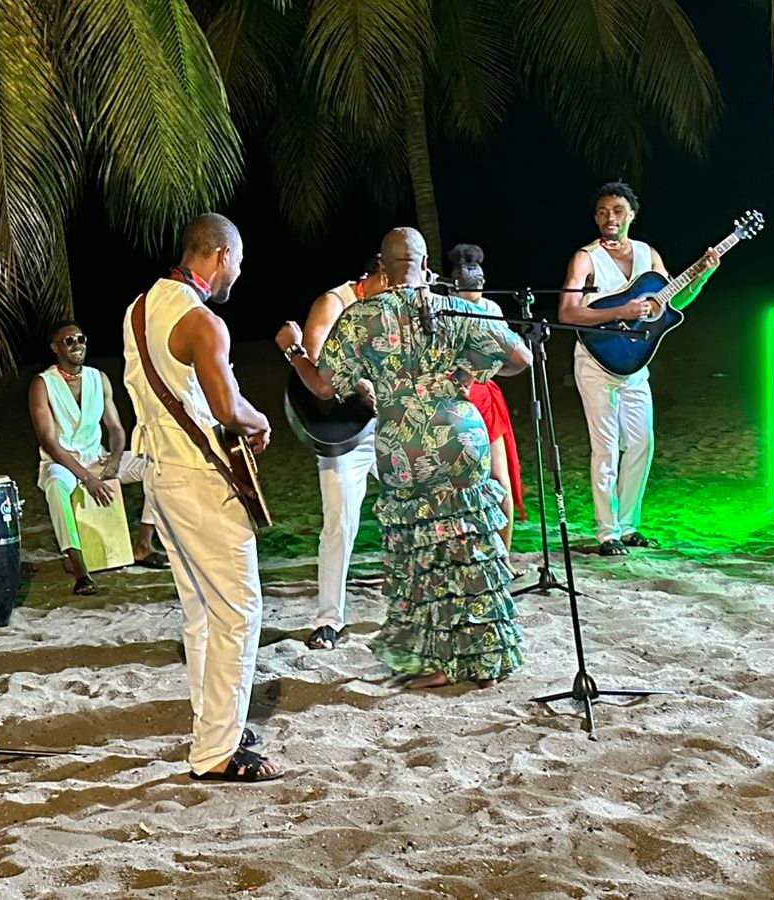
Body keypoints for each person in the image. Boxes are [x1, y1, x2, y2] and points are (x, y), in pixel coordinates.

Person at [276, 227, 532, 688]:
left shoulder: (362, 317)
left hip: (405, 446)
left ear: (382, 266)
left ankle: (437, 664)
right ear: (427, 267)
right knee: (470, 546)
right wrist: (464, 372)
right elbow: (520, 359)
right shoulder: (457, 308)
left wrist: (293, 350)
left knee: (424, 553)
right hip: (461, 437)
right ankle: (486, 660)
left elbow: (322, 386)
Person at [122, 212, 284, 782]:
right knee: (239, 609)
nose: (239, 271)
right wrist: (260, 421)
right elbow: (226, 409)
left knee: (200, 612)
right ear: (220, 256)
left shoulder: (139, 308)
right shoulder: (203, 322)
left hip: (160, 476)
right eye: (238, 261)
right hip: (198, 478)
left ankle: (215, 724)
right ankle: (216, 749)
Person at [558, 182, 719, 556]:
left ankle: (629, 526)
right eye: (602, 212)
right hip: (596, 361)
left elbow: (673, 301)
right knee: (605, 448)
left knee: (641, 444)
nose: (609, 218)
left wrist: (703, 275)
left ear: (631, 214)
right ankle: (607, 532)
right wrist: (621, 311)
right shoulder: (585, 258)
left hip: (634, 364)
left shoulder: (648, 255)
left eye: (617, 211)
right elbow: (567, 313)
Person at [284, 255, 387, 651]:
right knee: (339, 524)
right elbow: (313, 359)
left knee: (414, 508)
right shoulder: (334, 301)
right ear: (377, 273)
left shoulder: (393, 305)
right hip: (344, 429)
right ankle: (328, 620)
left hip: (388, 425)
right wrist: (360, 383)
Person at [29, 320, 167, 597]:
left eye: (80, 339)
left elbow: (115, 428)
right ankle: (79, 568)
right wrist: (87, 478)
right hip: (63, 464)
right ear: (55, 348)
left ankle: (143, 544)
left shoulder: (98, 378)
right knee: (56, 485)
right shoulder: (42, 384)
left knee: (158, 465)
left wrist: (114, 459)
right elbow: (49, 442)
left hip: (98, 458)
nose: (76, 345)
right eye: (68, 341)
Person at [447, 243, 524, 554]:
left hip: (481, 396)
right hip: (450, 397)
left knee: (498, 478)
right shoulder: (444, 307)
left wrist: (478, 373)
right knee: (458, 482)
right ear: (453, 288)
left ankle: (503, 555)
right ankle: (467, 552)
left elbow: (511, 356)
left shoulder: (490, 309)